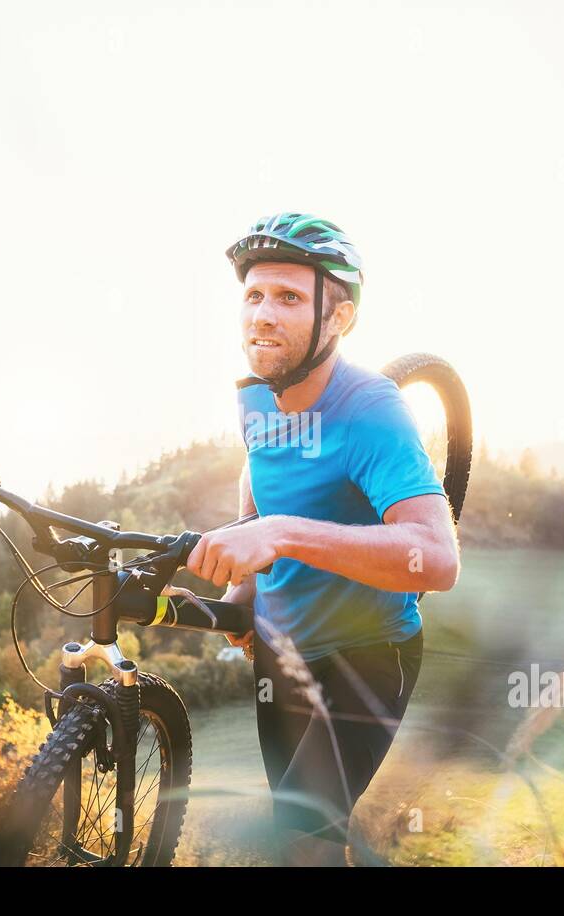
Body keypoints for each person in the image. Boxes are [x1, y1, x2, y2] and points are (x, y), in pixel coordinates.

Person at [183, 212, 461, 866]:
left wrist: (282, 535)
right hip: (281, 650)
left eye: (287, 297)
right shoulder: (258, 393)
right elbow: (258, 462)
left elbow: (438, 558)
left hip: (365, 653)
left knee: (300, 843)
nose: (262, 315)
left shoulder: (372, 411)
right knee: (299, 832)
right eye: (253, 295)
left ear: (337, 319)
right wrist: (248, 579)